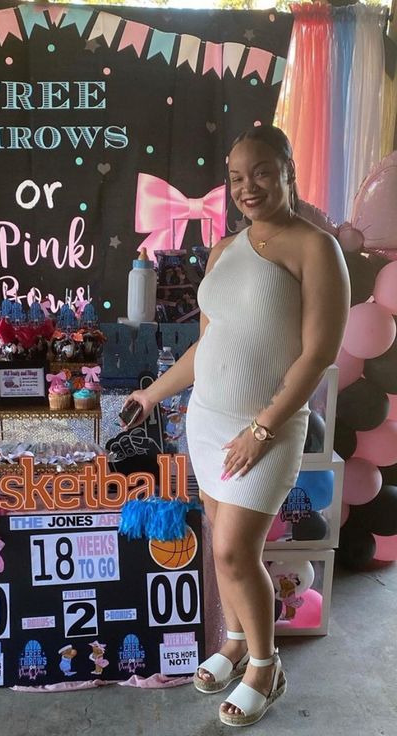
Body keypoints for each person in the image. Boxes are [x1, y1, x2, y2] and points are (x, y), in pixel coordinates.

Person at [124, 125, 349, 727]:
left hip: (266, 427)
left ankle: (265, 666)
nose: (248, 187)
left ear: (287, 171)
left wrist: (265, 427)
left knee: (233, 550)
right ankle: (233, 640)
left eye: (262, 173)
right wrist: (150, 394)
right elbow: (208, 347)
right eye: (236, 177)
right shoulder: (225, 251)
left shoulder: (315, 248)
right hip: (206, 419)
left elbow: (318, 354)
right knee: (221, 549)